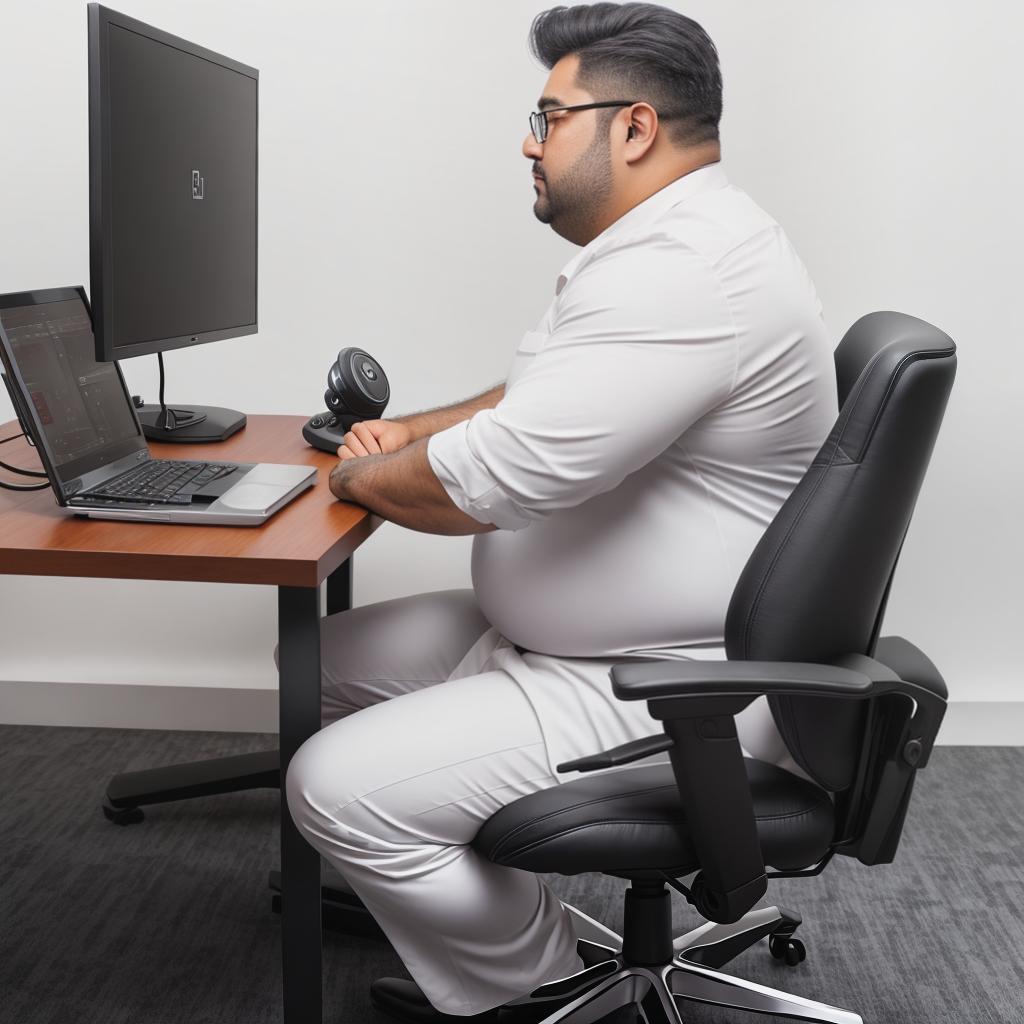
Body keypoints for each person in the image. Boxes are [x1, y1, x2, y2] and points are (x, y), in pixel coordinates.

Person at [282, 3, 838, 1021]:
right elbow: (523, 405)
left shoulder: (684, 275)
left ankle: (542, 988)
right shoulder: (667, 243)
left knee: (334, 784)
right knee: (303, 676)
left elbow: (486, 480)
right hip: (575, 642)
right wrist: (397, 435)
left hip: (659, 679)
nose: (528, 141)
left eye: (548, 115)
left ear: (630, 127)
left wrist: (360, 477)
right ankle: (478, 907)